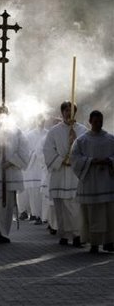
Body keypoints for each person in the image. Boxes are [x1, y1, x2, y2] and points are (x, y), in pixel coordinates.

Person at [0, 105, 30, 244]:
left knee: (6, 206)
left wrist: (11, 161)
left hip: (9, 174)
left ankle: (3, 232)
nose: (2, 114)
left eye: (4, 112)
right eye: (0, 112)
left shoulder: (16, 131)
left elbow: (25, 150)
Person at [43, 101, 87, 247]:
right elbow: (48, 150)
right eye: (66, 110)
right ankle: (63, 235)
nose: (69, 113)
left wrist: (75, 158)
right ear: (62, 113)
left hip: (75, 175)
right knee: (60, 207)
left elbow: (87, 150)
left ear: (76, 112)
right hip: (60, 174)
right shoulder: (54, 131)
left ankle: (77, 235)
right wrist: (61, 160)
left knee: (75, 207)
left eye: (72, 110)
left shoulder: (83, 131)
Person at [71, 110, 114, 253]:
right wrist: (91, 161)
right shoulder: (82, 140)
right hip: (90, 183)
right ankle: (94, 243)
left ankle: (109, 242)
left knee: (108, 215)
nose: (98, 124)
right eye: (95, 122)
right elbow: (75, 158)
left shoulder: (110, 139)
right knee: (91, 215)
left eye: (100, 121)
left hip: (107, 182)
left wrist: (109, 161)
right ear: (90, 122)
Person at [18, 115, 48, 225]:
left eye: (43, 120)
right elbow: (26, 151)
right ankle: (35, 213)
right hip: (32, 167)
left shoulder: (48, 134)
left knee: (43, 193)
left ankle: (43, 215)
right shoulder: (29, 135)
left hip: (42, 166)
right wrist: (34, 154)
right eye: (39, 119)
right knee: (34, 193)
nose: (41, 122)